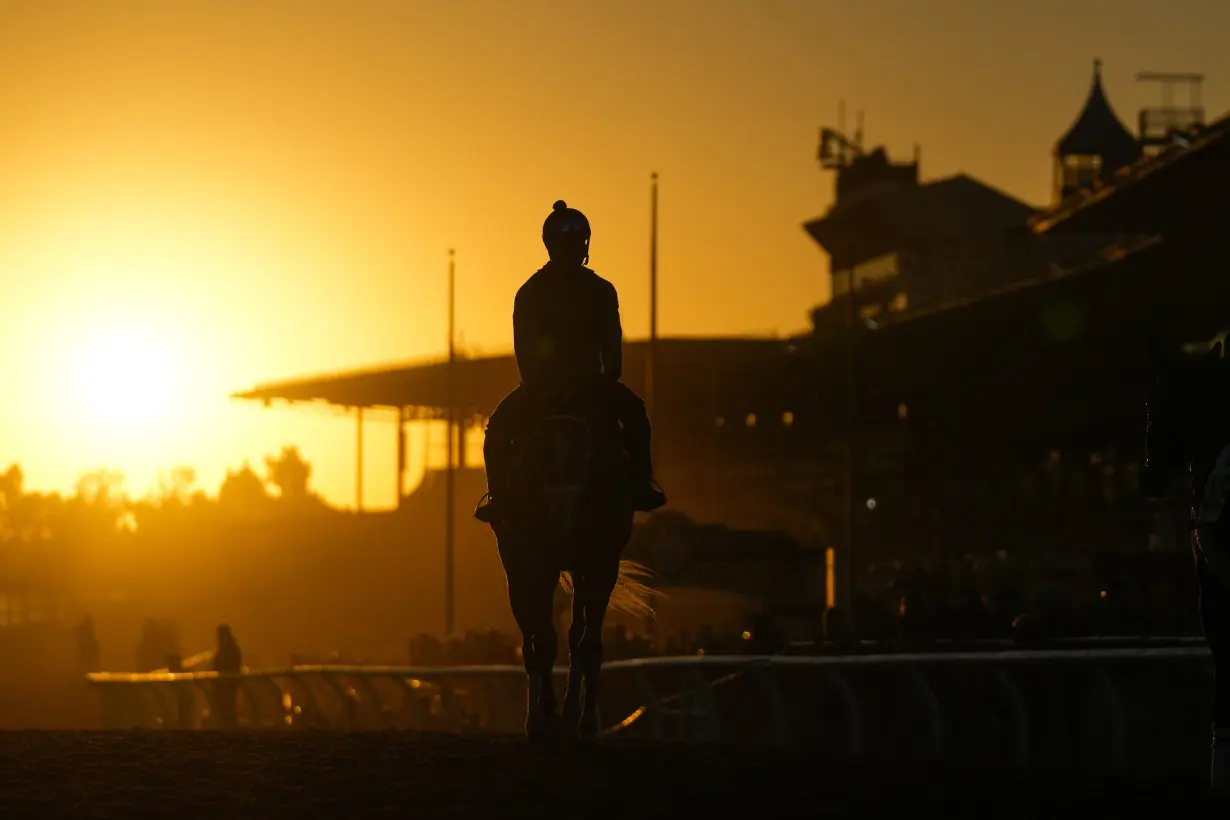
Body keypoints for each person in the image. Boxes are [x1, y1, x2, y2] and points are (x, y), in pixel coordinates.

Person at [476, 200, 666, 524]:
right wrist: (608, 380)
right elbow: (611, 346)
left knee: (497, 431)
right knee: (635, 416)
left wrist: (538, 386)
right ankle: (641, 485)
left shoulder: (534, 291)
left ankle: (498, 498)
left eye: (576, 242)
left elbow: (526, 350)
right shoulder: (596, 290)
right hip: (571, 389)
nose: (573, 248)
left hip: (553, 390)